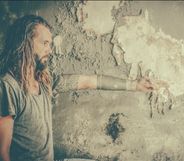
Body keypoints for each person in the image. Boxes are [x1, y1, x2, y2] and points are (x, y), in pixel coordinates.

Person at [0, 15, 154, 161]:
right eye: (44, 43)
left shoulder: (45, 81)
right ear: (25, 42)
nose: (50, 50)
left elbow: (90, 81)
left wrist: (134, 85)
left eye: (51, 44)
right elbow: (2, 153)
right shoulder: (8, 87)